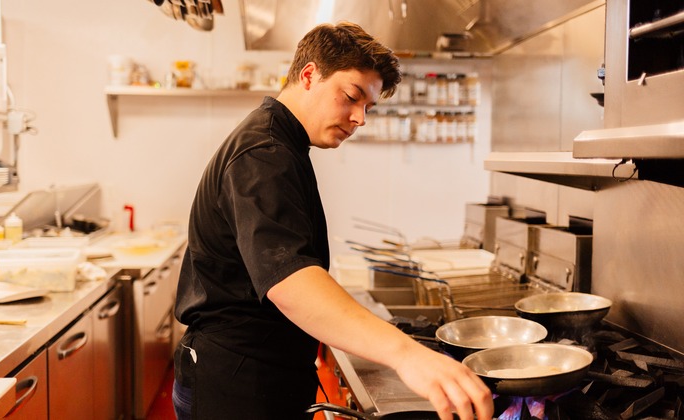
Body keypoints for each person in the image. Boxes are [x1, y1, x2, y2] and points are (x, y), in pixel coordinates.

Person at [172, 21, 494, 420]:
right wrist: (407, 354)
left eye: (368, 107)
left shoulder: (283, 144)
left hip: (259, 373)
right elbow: (290, 284)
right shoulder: (263, 154)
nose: (360, 118)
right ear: (309, 75)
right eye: (351, 97)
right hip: (237, 383)